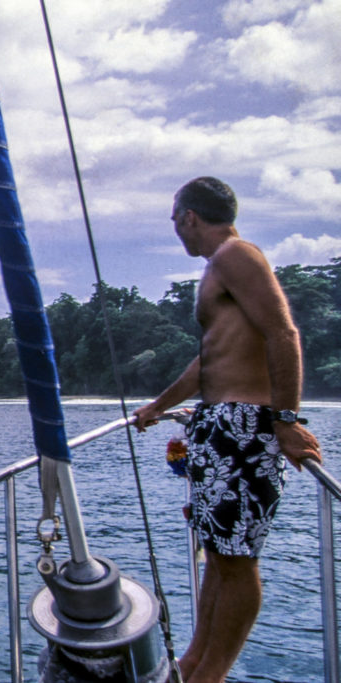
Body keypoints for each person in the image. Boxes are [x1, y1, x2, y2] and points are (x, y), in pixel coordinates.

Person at [133, 177, 322, 683]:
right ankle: (194, 661)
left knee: (236, 560)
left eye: (176, 223)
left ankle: (210, 674)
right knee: (218, 554)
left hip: (245, 427)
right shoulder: (219, 268)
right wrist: (159, 406)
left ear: (189, 216)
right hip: (221, 426)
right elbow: (209, 361)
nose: (177, 233)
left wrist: (285, 421)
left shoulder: (238, 255)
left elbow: (283, 332)